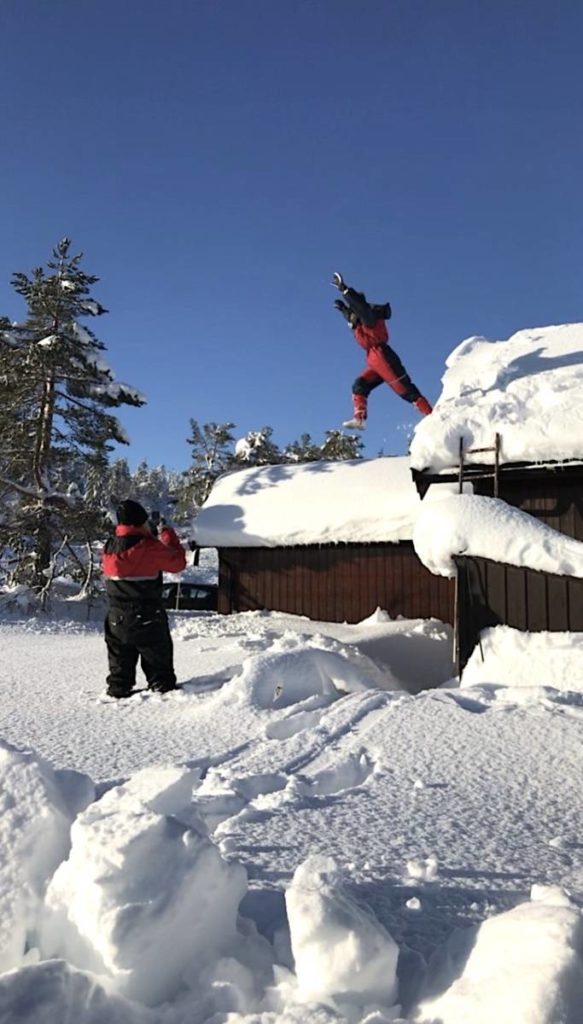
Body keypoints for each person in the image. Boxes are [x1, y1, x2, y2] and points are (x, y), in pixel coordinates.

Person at [101, 499, 187, 698]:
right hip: (148, 617)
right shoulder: (148, 546)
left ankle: (115, 699)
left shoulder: (109, 547)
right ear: (141, 521)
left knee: (119, 676)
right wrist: (167, 535)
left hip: (116, 618)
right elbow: (178, 564)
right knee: (161, 680)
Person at [332, 272, 432, 428]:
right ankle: (359, 419)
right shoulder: (360, 324)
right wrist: (343, 310)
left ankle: (432, 416)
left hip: (383, 357)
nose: (351, 320)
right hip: (373, 359)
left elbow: (360, 308)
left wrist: (344, 290)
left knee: (405, 390)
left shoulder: (369, 317)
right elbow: (353, 316)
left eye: (353, 314)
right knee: (359, 385)